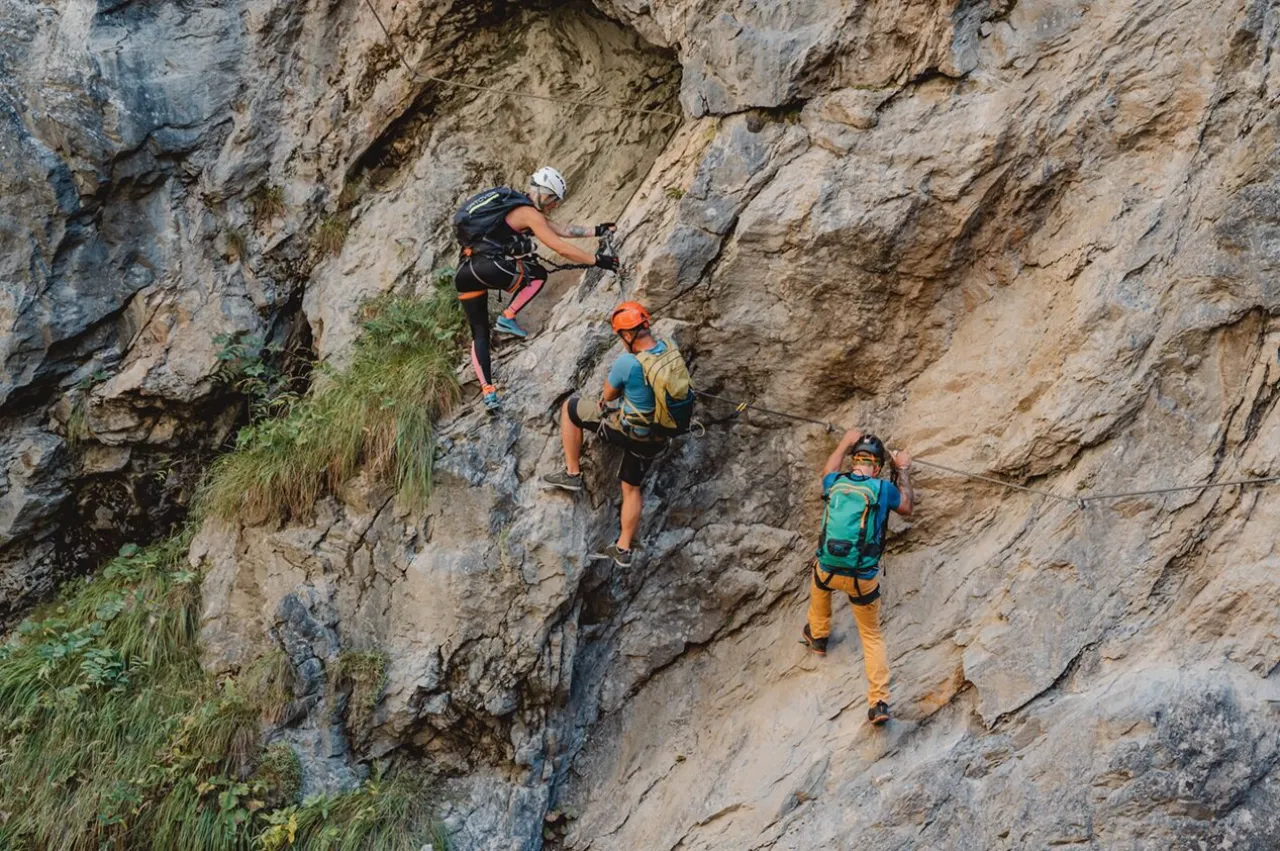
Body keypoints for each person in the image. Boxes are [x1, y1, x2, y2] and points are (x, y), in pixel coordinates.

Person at [452, 166, 620, 411]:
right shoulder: (528, 212)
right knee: (538, 274)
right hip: (489, 267)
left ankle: (488, 392)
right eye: (553, 200)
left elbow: (560, 229)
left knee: (479, 332)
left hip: (465, 272)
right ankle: (507, 317)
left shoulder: (511, 208)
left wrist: (597, 230)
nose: (553, 206)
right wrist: (598, 261)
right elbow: (559, 246)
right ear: (545, 194)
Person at [542, 301, 694, 568]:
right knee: (631, 486)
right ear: (645, 326)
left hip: (632, 432)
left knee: (570, 408)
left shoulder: (628, 361)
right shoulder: (670, 349)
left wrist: (607, 399)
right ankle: (622, 548)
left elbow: (609, 393)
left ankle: (572, 473)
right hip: (659, 437)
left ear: (626, 335)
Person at [801, 430, 914, 726]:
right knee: (872, 636)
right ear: (877, 467)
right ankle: (878, 702)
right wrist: (901, 469)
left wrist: (843, 443)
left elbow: (827, 471)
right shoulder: (880, 488)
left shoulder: (836, 482)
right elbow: (906, 507)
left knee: (818, 576)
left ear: (855, 461)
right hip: (862, 578)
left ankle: (819, 635)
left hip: (828, 571)